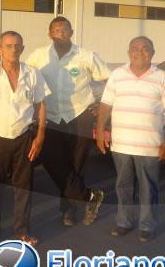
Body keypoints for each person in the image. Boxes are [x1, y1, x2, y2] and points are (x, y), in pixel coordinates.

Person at [26, 16, 108, 227]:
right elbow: (25, 79)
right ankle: (90, 196)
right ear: (49, 34)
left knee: (77, 164)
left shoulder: (86, 56)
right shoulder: (38, 56)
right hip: (51, 116)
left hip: (79, 115)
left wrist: (101, 103)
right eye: (55, 30)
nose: (60, 33)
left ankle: (68, 210)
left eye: (64, 29)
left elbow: (109, 79)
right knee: (53, 161)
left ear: (71, 32)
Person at [0, 31, 50, 247]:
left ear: (22, 49)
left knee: (23, 188)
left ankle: (22, 231)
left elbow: (41, 106)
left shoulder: (33, 74)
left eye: (17, 46)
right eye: (8, 46)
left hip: (24, 138)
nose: (13, 50)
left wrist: (40, 136)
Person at [96, 36, 165, 242]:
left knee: (149, 188)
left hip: (150, 145)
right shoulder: (117, 75)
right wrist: (100, 129)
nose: (140, 52)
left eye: (146, 48)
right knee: (123, 186)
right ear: (128, 52)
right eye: (135, 48)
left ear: (153, 52)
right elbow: (105, 105)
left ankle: (147, 225)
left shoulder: (162, 77)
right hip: (121, 144)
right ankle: (124, 221)